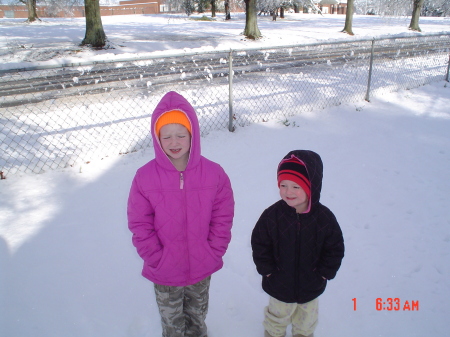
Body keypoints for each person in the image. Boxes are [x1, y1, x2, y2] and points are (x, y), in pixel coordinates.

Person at [127, 91, 234, 337]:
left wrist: (213, 249)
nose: (174, 142)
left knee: (197, 318)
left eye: (180, 135)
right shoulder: (145, 177)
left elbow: (223, 215)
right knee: (172, 324)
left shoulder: (214, 174)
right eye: (167, 136)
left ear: (192, 135)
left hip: (201, 265)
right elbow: (139, 223)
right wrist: (155, 257)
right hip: (164, 269)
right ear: (157, 138)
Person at [251, 150, 344, 337]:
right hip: (279, 284)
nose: (288, 192)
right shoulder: (272, 216)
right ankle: (274, 334)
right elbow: (260, 243)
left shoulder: (324, 218)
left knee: (306, 319)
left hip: (311, 284)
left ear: (311, 186)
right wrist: (267, 270)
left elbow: (334, 247)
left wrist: (325, 273)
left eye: (296, 186)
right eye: (283, 185)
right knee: (277, 317)